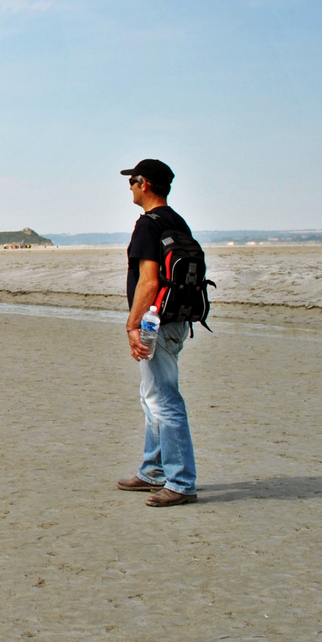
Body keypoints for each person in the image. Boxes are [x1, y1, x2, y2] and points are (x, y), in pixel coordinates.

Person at [115, 157, 198, 507]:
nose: (129, 187)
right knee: (153, 396)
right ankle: (153, 470)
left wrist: (132, 325)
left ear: (144, 183)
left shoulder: (149, 225)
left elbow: (149, 282)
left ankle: (180, 482)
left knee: (163, 399)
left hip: (155, 320)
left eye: (132, 180)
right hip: (177, 319)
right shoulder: (176, 221)